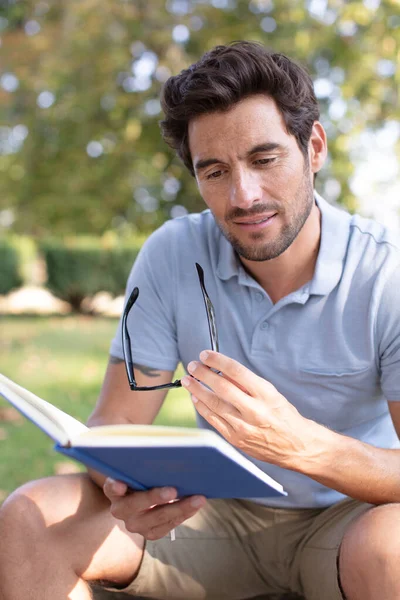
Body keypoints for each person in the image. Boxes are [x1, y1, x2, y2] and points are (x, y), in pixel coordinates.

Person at [1, 40, 400, 600]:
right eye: (215, 171)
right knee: (29, 517)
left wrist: (303, 446)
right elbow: (116, 422)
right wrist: (122, 488)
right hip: (211, 515)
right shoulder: (171, 255)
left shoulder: (387, 271)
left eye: (264, 159)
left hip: (346, 522)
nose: (244, 195)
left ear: (313, 147)